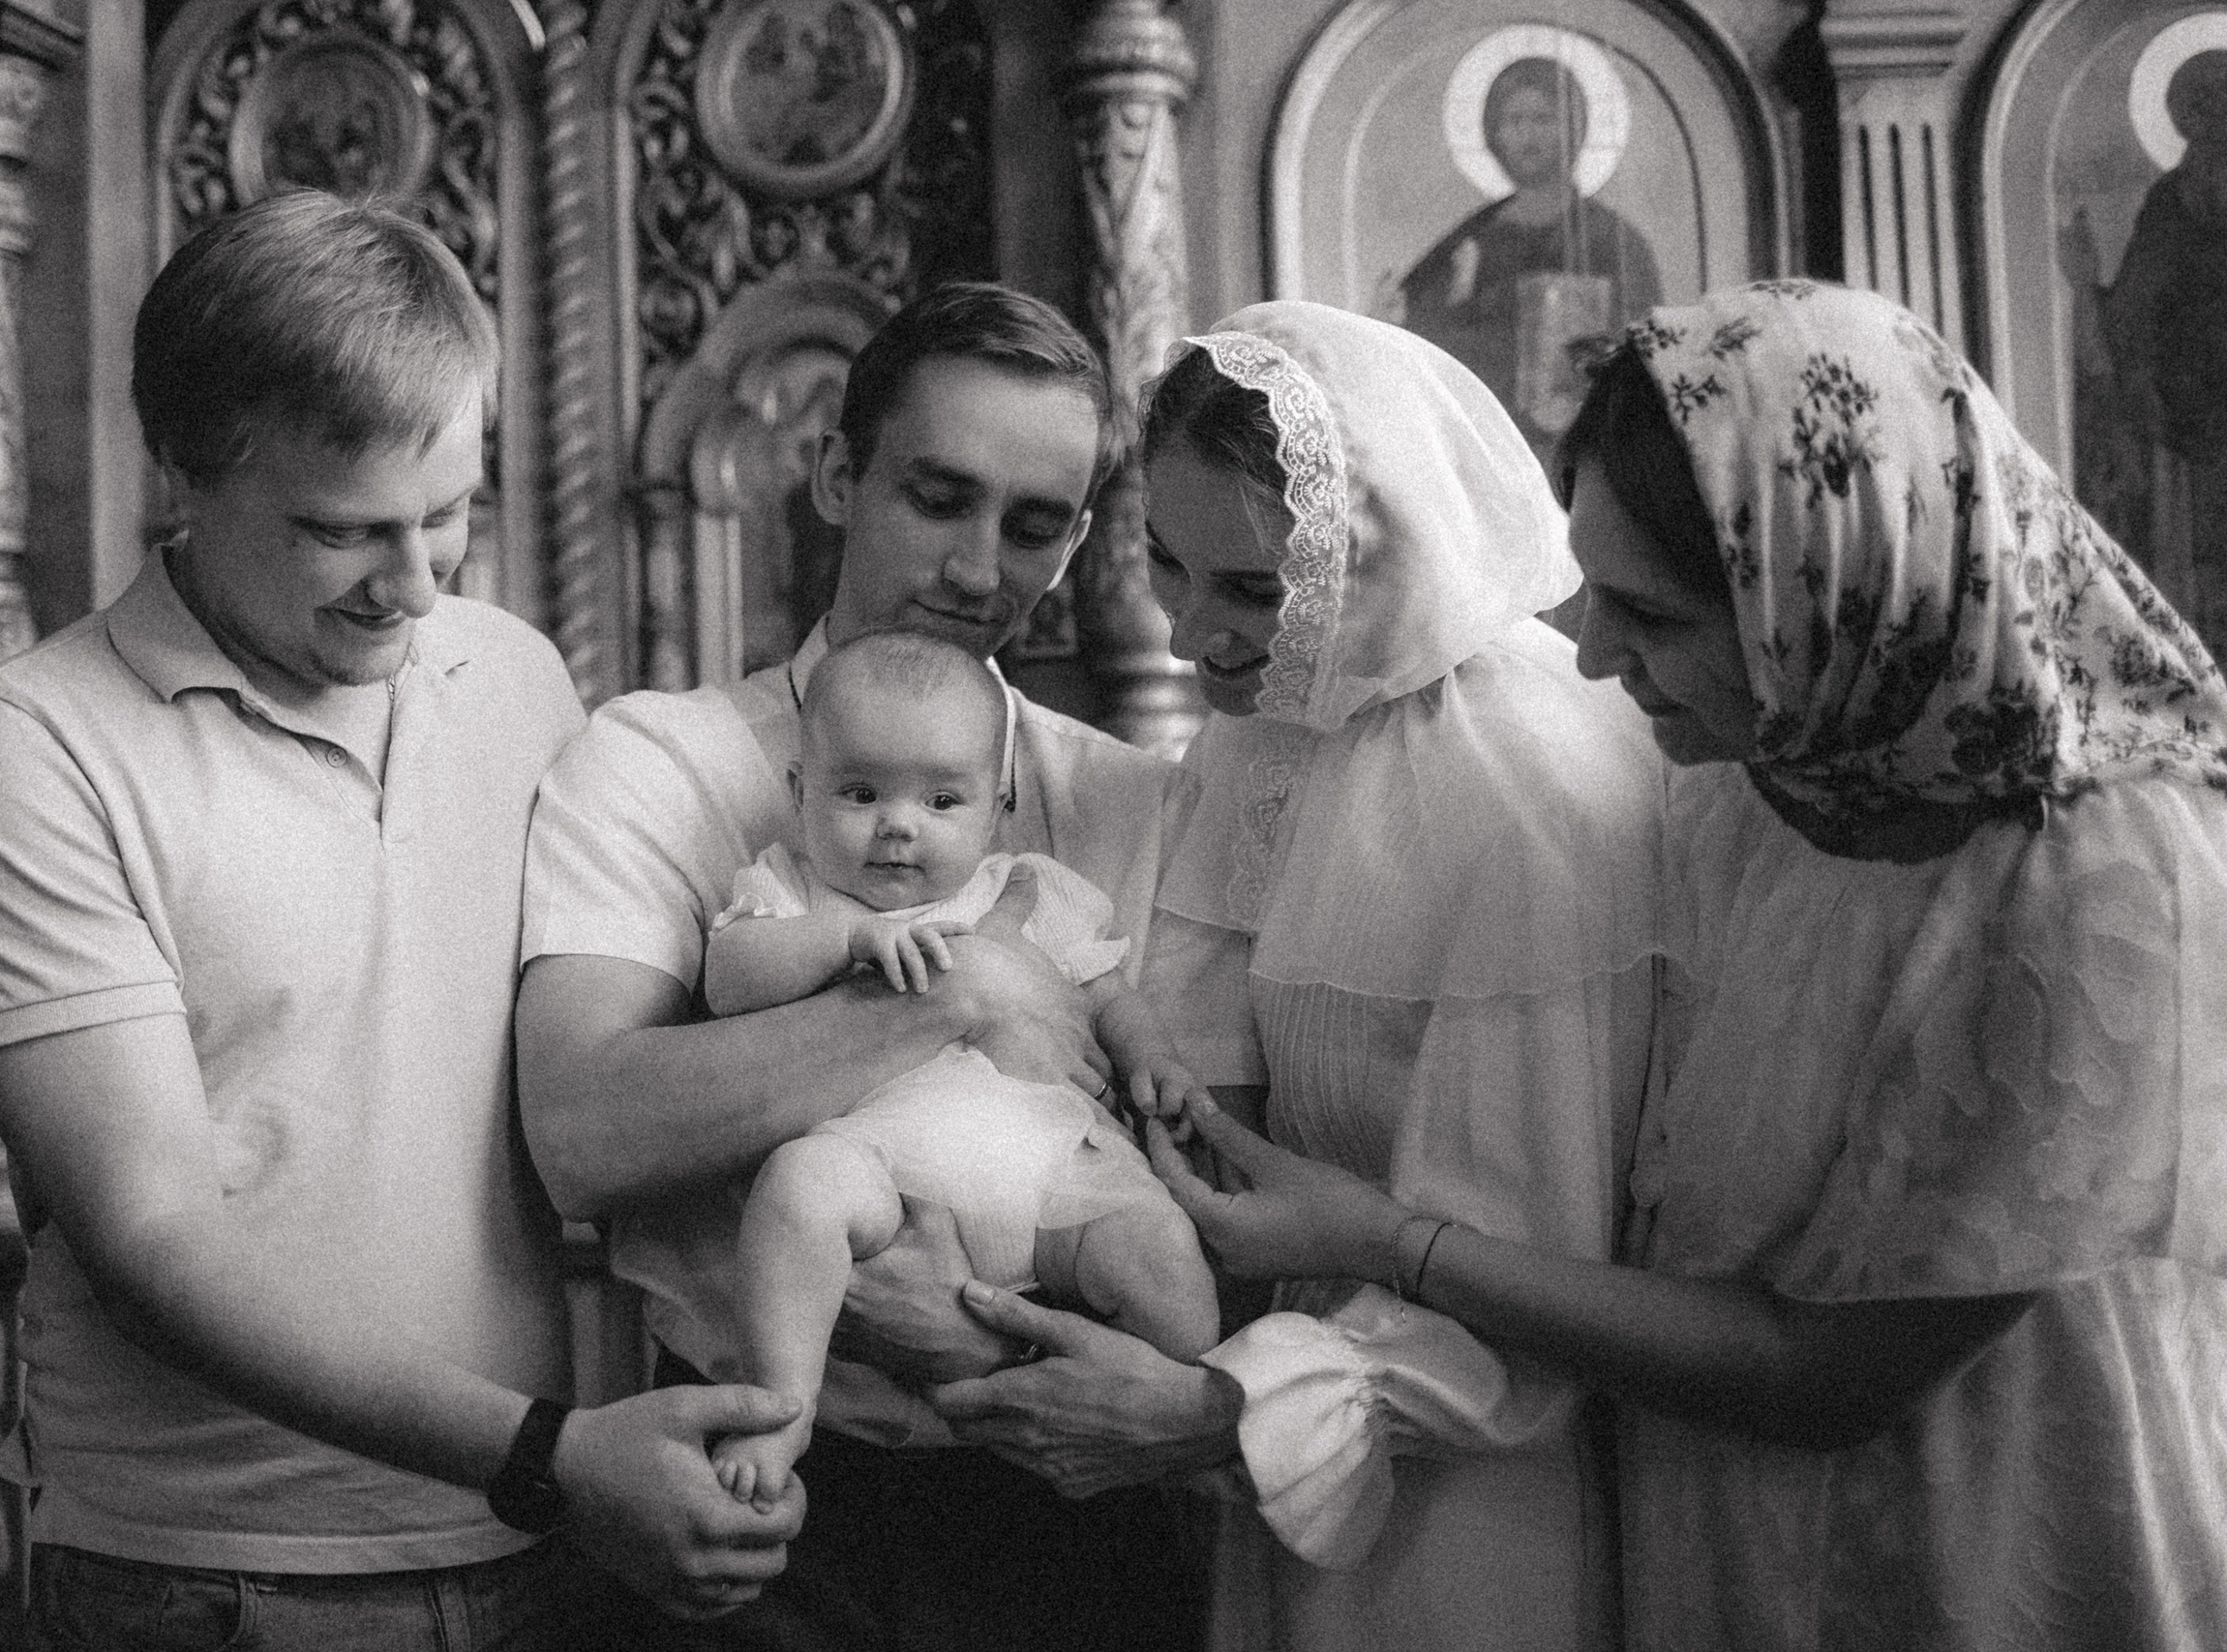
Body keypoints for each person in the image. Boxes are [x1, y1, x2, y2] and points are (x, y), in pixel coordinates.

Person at [1129, 281, 2227, 1648]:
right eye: (1598, 595)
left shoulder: (2098, 868)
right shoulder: (1754, 778)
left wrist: (1382, 1237)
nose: (1591, 657)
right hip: (1705, 1513)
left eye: (1650, 614)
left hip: (1992, 1522)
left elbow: (1828, 1371)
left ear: (1822, 592)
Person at [0, 190, 803, 1648]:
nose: (419, 583)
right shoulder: (31, 746)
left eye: (451, 511)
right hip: (213, 1571)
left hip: (546, 1545)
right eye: (344, 531)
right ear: (187, 468)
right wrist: (548, 1449)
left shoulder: (509, 672)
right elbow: (151, 1237)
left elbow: (606, 1081)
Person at [930, 300, 1665, 1652]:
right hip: (1273, 1436)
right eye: (1167, 564)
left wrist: (1219, 1408)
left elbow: (1549, 1277)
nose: (1188, 633)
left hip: (1480, 1475)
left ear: (1369, 553)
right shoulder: (1269, 731)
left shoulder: (1529, 790)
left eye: (1254, 588)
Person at [515, 282, 1198, 1650]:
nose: (976, 566)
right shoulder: (657, 761)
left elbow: (1178, 1159)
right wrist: (963, 986)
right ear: (837, 473)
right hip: (776, 1494)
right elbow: (583, 1133)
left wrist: (979, 1338)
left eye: (1033, 524)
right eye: (936, 497)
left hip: (1085, 1497)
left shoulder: (1126, 800)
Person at [702, 629, 1218, 1512]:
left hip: (1056, 1175)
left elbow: (1106, 990)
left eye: (942, 799)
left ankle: (1168, 1403)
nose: (898, 824)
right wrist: (843, 939)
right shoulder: (792, 890)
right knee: (798, 1188)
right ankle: (781, 1407)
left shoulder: (1028, 885)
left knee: (1165, 1255)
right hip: (884, 1177)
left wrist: (1154, 1059)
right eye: (859, 792)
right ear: (800, 794)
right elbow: (726, 981)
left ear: (996, 807)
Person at [1385, 54, 1662, 447]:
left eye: (1543, 120)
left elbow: (1642, 347)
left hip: (1588, 442)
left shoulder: (1611, 237)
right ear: (1493, 134)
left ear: (1574, 128)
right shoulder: (1474, 238)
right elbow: (1418, 333)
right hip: (1485, 439)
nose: (1528, 136)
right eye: (1514, 122)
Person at [2061, 47, 2227, 657]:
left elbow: (2127, 318)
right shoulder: (2170, 206)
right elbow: (2131, 318)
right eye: (2211, 118)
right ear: (2191, 125)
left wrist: (2088, 288)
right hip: (2189, 423)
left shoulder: (2176, 199)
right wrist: (2085, 286)